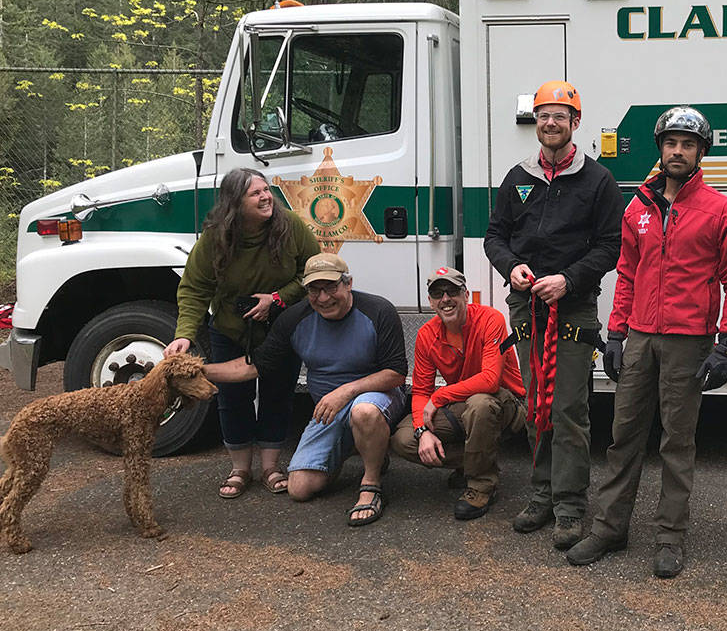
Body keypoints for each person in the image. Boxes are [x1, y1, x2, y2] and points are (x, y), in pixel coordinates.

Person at [566, 106, 727, 578]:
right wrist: (615, 334)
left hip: (689, 342)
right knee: (623, 435)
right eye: (670, 143)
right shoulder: (638, 208)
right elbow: (626, 273)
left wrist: (725, 345)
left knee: (676, 442)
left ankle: (670, 537)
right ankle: (610, 528)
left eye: (688, 144)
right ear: (660, 148)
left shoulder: (722, 210)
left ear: (701, 153)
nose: (677, 151)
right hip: (642, 338)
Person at [483, 80, 624, 550]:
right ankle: (540, 495)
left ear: (575, 123)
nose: (550, 123)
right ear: (536, 122)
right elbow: (495, 236)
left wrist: (570, 279)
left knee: (567, 407)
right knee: (535, 404)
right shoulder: (517, 177)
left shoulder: (597, 181)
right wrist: (512, 267)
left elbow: (611, 246)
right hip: (526, 304)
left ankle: (568, 506)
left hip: (573, 306)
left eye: (560, 116)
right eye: (543, 115)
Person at [202, 252, 407, 527]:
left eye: (331, 287)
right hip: (329, 410)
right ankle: (365, 449)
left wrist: (346, 391)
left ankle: (371, 484)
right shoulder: (294, 318)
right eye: (314, 289)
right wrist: (198, 371)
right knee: (300, 488)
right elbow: (254, 366)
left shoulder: (378, 311)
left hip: (376, 398)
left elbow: (396, 374)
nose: (323, 298)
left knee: (364, 412)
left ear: (349, 283)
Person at [165, 168, 320, 499]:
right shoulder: (216, 238)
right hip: (230, 329)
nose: (266, 197)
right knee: (233, 399)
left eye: (267, 190)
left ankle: (270, 467)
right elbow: (194, 289)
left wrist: (277, 299)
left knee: (278, 394)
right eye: (256, 193)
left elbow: (315, 270)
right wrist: (184, 335)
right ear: (235, 202)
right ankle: (239, 469)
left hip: (281, 327)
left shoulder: (290, 225)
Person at [390, 267, 527, 520]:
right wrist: (422, 432)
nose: (445, 299)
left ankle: (481, 485)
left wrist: (439, 397)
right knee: (403, 439)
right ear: (430, 302)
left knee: (480, 404)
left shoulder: (490, 319)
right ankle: (476, 459)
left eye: (452, 291)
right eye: (437, 293)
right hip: (464, 404)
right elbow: (420, 390)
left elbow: (490, 380)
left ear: (465, 295)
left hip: (508, 403)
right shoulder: (426, 335)